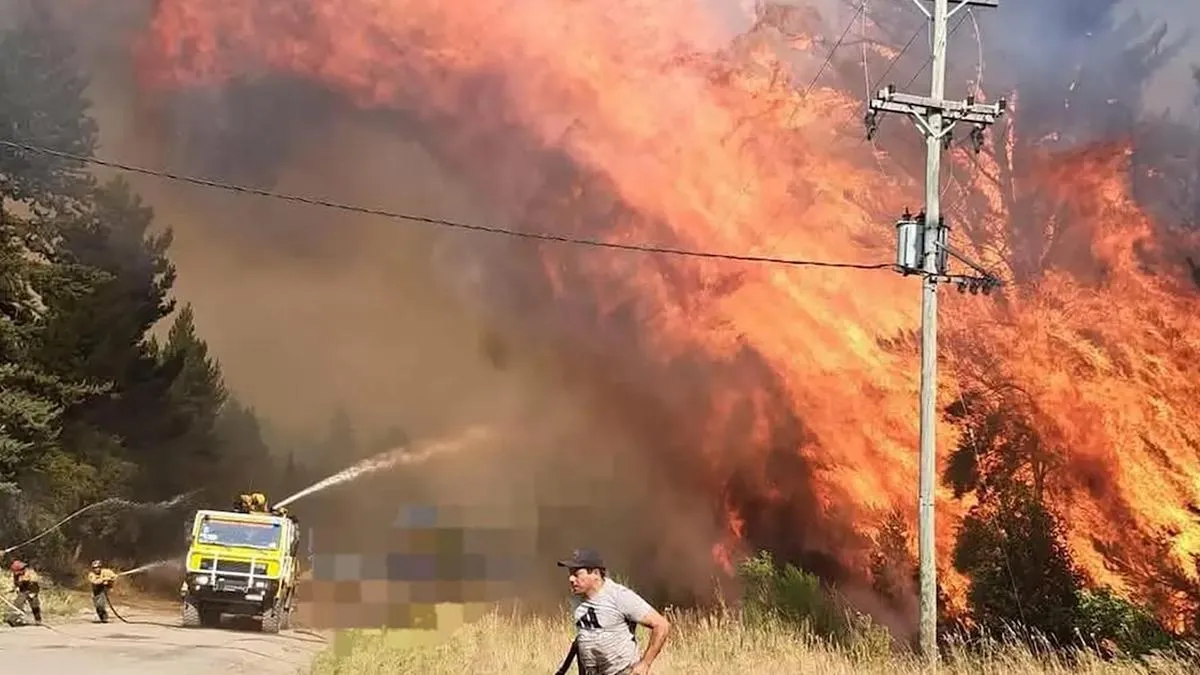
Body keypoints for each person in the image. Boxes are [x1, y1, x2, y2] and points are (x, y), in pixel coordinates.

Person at [556, 548, 671, 675]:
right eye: (570, 573)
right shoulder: (577, 600)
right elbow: (584, 636)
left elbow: (661, 625)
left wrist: (645, 664)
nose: (571, 579)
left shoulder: (619, 596)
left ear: (595, 573)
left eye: (576, 574)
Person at [6, 560, 42, 626]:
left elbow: (36, 581)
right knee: (18, 604)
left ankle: (38, 620)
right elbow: (16, 583)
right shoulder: (16, 575)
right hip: (23, 590)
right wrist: (14, 588)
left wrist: (27, 580)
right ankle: (14, 619)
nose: (16, 573)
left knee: (34, 605)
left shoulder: (30, 572)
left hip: (32, 590)